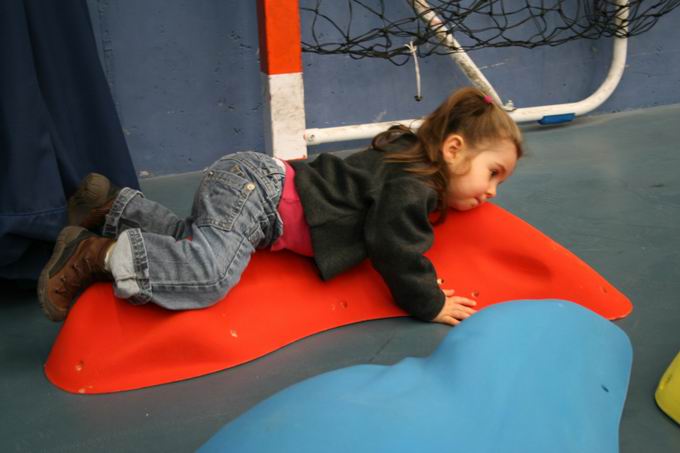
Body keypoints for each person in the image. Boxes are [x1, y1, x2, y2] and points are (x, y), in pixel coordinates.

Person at [37, 86, 523, 326]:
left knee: (191, 239)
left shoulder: (405, 158)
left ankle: (113, 207)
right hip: (260, 195)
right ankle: (93, 254)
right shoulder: (413, 185)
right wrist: (429, 301)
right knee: (208, 276)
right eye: (493, 173)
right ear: (453, 149)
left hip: (254, 186)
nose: (493, 191)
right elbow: (394, 247)